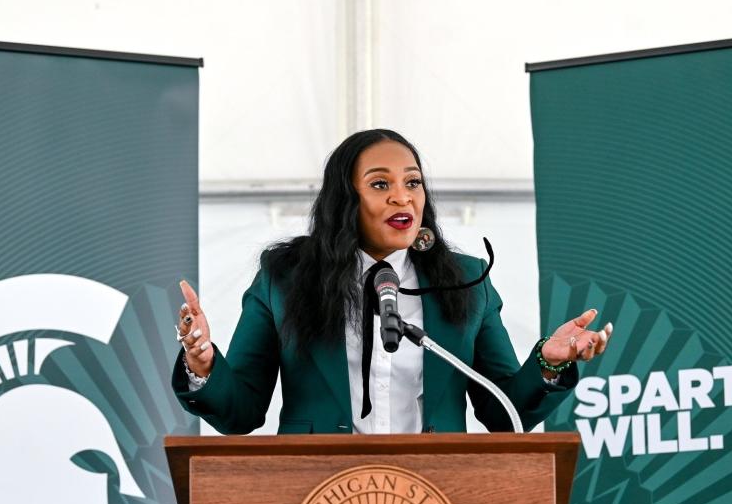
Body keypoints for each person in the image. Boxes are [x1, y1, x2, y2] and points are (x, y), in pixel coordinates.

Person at [171, 129, 611, 435]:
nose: (403, 196)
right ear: (346, 199)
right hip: (314, 499)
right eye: (380, 184)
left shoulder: (465, 282)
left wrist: (549, 362)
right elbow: (241, 411)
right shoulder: (284, 279)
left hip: (439, 499)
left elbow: (502, 412)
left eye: (413, 182)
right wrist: (203, 363)